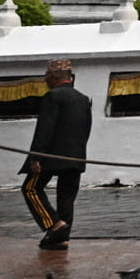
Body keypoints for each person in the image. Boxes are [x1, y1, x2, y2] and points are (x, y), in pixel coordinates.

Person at [20, 59, 93, 249]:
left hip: (51, 156)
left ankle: (53, 224)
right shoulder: (83, 98)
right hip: (75, 155)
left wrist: (36, 157)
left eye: (46, 77)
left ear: (53, 77)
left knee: (30, 189)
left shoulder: (52, 96)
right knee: (67, 198)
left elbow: (44, 129)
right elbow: (87, 129)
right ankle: (62, 239)